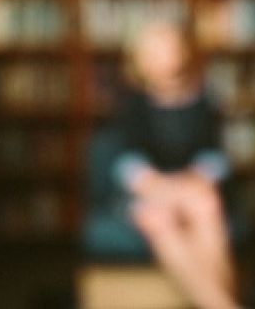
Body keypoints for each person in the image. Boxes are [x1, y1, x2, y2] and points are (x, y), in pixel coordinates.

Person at [82, 20, 239, 308]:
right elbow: (127, 161)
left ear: (182, 52)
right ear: (138, 61)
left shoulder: (204, 100)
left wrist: (192, 181)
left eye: (166, 48)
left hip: (193, 187)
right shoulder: (132, 104)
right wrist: (159, 186)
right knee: (158, 219)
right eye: (151, 52)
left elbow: (215, 156)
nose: (160, 57)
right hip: (150, 191)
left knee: (206, 206)